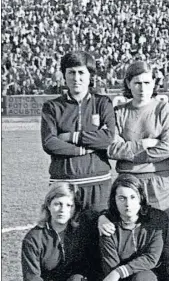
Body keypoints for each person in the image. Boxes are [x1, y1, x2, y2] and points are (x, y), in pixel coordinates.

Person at [86, 174, 169, 281]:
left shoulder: (157, 219)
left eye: (133, 197)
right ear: (114, 200)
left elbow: (151, 258)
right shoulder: (108, 226)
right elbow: (109, 271)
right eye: (121, 198)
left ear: (141, 198)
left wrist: (119, 271)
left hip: (144, 279)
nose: (128, 204)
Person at [15, 183, 99, 281]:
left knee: (78, 280)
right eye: (57, 204)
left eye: (69, 205)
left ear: (75, 209)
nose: (62, 210)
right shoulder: (33, 238)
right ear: (48, 205)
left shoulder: (81, 233)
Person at [40, 51, 115, 212]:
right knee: (64, 234)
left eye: (81, 72)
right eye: (71, 72)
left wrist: (72, 137)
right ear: (64, 75)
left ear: (90, 76)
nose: (76, 78)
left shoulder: (103, 103)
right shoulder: (52, 107)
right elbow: (49, 143)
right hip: (63, 182)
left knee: (99, 232)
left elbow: (107, 138)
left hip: (98, 182)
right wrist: (82, 149)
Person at [105, 61, 169, 220]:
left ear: (154, 83)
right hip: (127, 181)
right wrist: (142, 144)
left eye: (147, 82)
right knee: (128, 231)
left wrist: (129, 153)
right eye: (137, 83)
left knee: (162, 231)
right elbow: (112, 149)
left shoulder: (162, 109)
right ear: (128, 84)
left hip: (158, 180)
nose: (142, 88)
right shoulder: (119, 112)